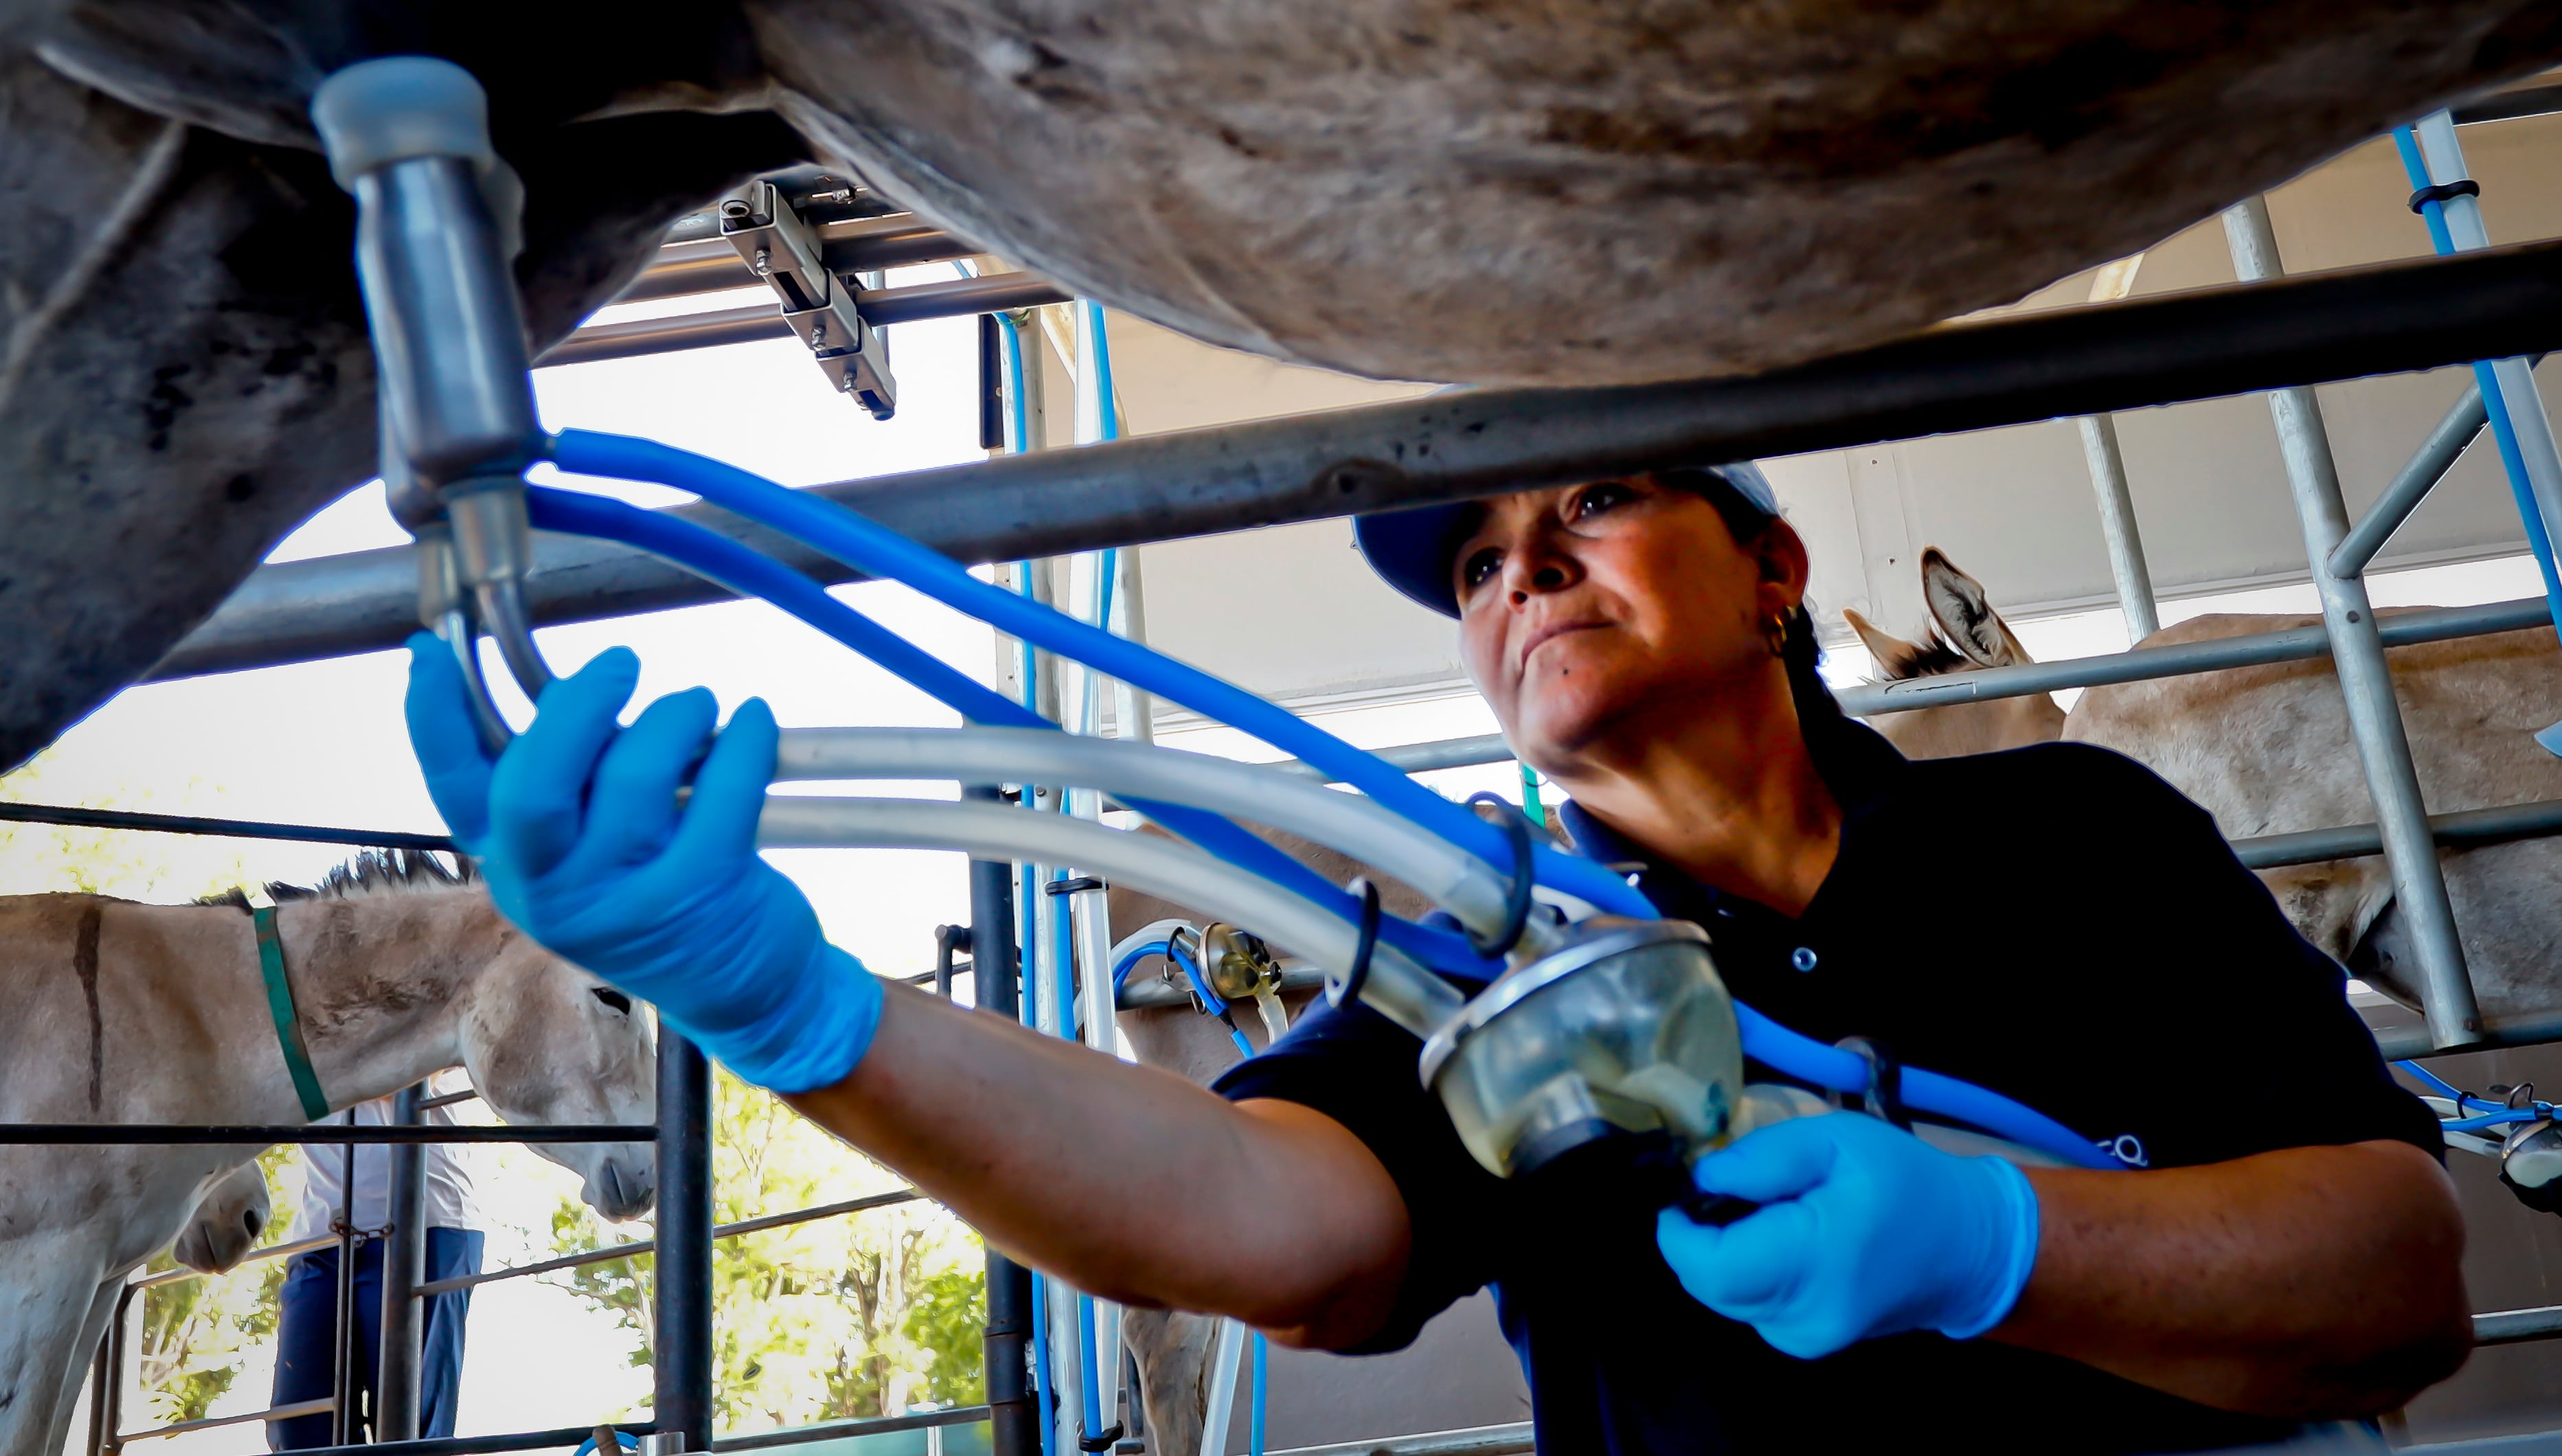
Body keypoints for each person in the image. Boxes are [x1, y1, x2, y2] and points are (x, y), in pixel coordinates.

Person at [400, 463, 2471, 1454]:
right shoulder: (1480, 976)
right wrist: (791, 1011)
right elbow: (1248, 1214)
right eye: (1477, 564)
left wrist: (2001, 1245)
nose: (1521, 573)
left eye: (1596, 506)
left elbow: (2397, 1288)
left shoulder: (2072, 833)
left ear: (1773, 569)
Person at [269, 1076, 485, 1448]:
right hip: (322, 1232)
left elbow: (406, 1070)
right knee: (298, 1426)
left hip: (426, 1222)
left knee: (407, 1421)